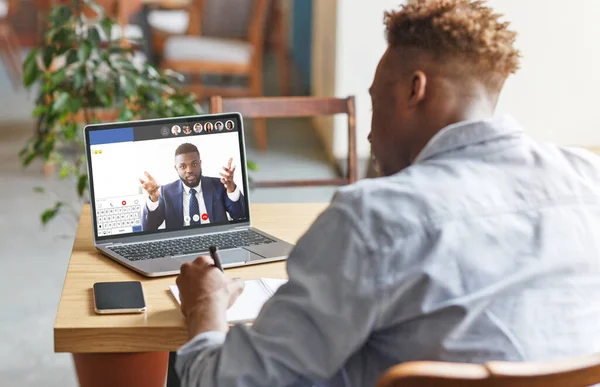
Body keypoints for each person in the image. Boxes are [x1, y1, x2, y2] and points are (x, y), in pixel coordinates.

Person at [174, 1, 600, 386]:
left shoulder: (371, 218)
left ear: (415, 90)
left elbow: (228, 383)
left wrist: (206, 306)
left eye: (376, 102)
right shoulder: (589, 179)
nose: (372, 135)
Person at [139, 143, 245, 230]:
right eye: (183, 166)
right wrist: (153, 198)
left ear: (200, 163)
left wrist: (231, 189)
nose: (189, 170)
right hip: (180, 247)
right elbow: (149, 228)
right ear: (176, 168)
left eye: (194, 164)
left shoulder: (219, 185)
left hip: (217, 243)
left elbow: (240, 216)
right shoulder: (165, 192)